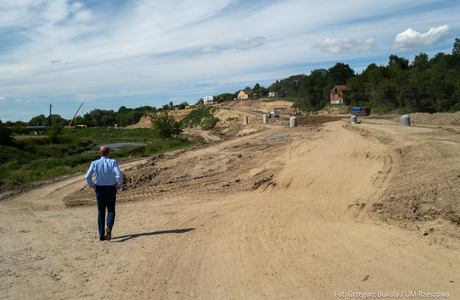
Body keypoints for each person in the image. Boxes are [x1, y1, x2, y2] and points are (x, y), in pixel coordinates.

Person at [85, 146, 123, 241]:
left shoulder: (94, 163)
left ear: (99, 153)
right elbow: (119, 174)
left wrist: (92, 185)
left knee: (101, 212)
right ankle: (109, 227)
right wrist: (119, 184)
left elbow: (87, 176)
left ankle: (101, 234)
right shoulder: (113, 162)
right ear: (108, 153)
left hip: (99, 189)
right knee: (111, 210)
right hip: (110, 189)